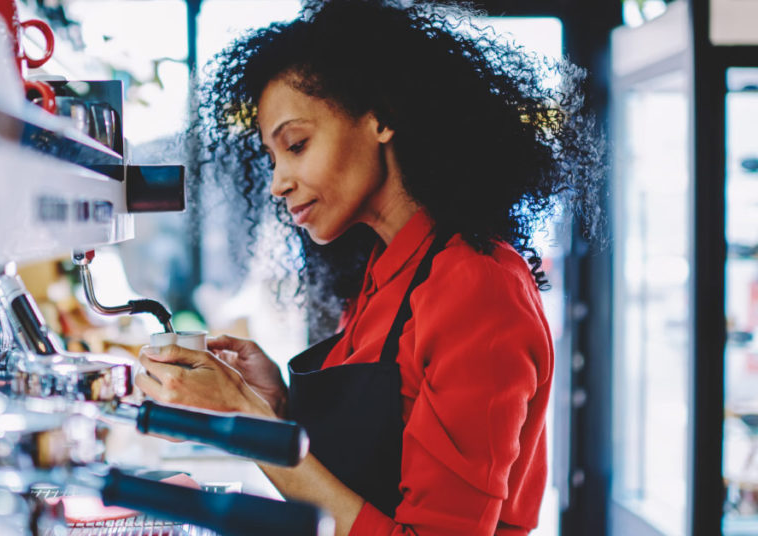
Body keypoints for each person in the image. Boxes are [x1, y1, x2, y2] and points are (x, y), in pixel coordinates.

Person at [135, 1, 603, 535]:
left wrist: (249, 420)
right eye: (272, 157)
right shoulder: (388, 268)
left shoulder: (477, 284)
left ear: (381, 117)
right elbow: (376, 464)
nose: (277, 181)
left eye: (296, 144)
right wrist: (277, 405)